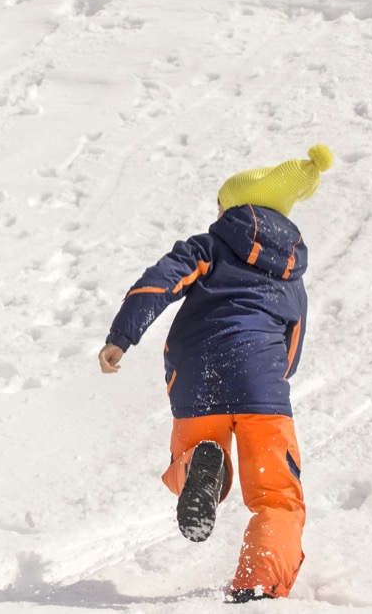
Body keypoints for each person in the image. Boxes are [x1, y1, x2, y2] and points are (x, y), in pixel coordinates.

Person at [98, 145, 333, 603]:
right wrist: (268, 386)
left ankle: (202, 467)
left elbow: (158, 283)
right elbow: (293, 344)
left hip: (198, 381)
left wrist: (121, 336)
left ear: (233, 209)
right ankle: (257, 587)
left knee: (191, 458)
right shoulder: (289, 275)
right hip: (261, 392)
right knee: (276, 497)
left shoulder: (208, 247)